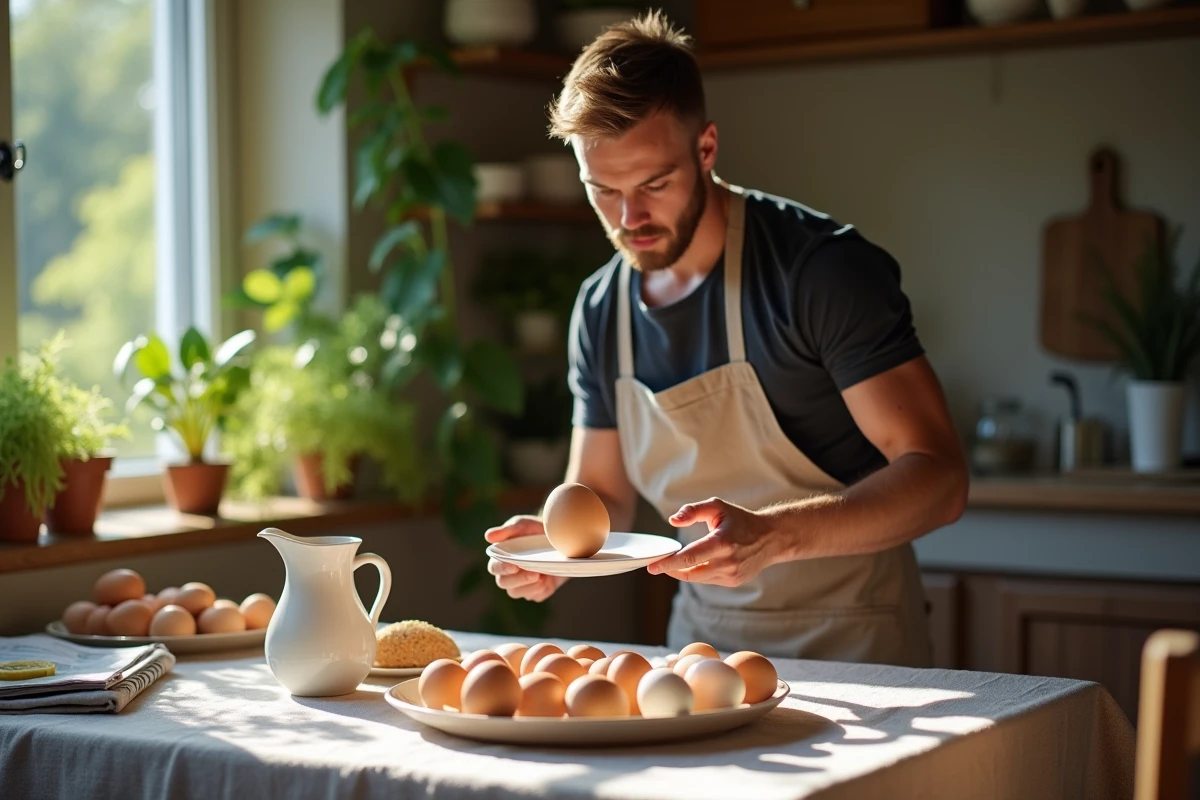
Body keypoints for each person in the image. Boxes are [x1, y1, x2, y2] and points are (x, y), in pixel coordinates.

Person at [484, 11, 968, 666]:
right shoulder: (601, 310)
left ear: (706, 149)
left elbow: (939, 479)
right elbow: (600, 492)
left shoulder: (820, 272)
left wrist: (776, 536)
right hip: (702, 648)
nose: (630, 220)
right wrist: (559, 547)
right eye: (603, 190)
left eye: (655, 184)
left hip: (855, 640)